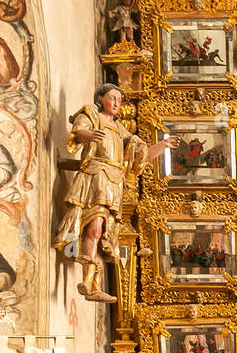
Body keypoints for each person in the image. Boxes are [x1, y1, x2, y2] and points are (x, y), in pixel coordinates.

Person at [54, 84, 179, 303]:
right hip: (96, 176)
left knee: (104, 235)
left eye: (119, 100)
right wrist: (89, 135)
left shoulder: (121, 131)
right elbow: (78, 132)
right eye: (112, 98)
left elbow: (143, 156)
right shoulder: (92, 114)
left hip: (114, 185)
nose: (116, 103)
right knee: (94, 227)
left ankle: (93, 285)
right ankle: (87, 280)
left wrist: (163, 145)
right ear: (101, 98)